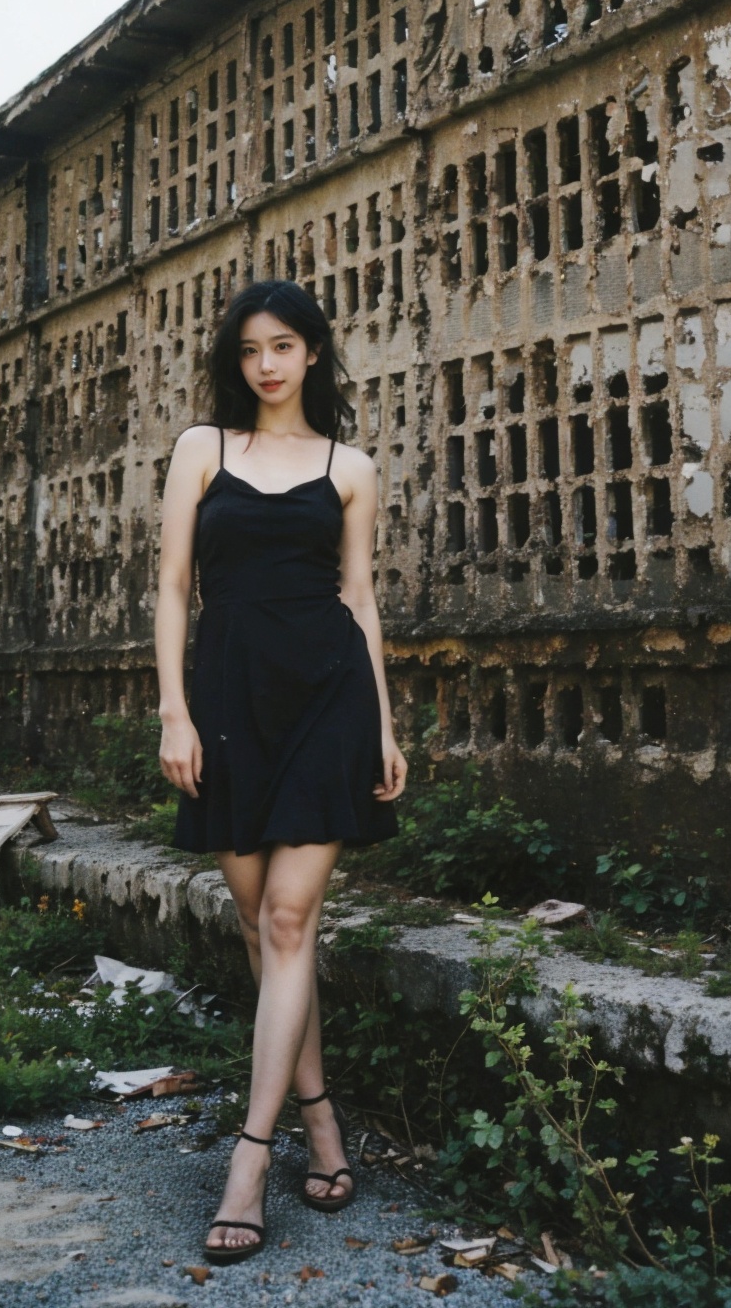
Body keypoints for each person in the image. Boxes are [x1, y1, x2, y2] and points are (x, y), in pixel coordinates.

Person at [154, 280, 408, 1265]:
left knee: (291, 919)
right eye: (252, 348)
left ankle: (249, 1165)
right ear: (237, 359)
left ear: (313, 355)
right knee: (261, 927)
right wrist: (174, 710)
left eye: (286, 346)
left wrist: (383, 726)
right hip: (224, 700)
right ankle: (321, 1115)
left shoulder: (351, 466)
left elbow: (360, 597)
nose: (267, 364)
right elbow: (174, 585)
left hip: (329, 697)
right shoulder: (200, 451)